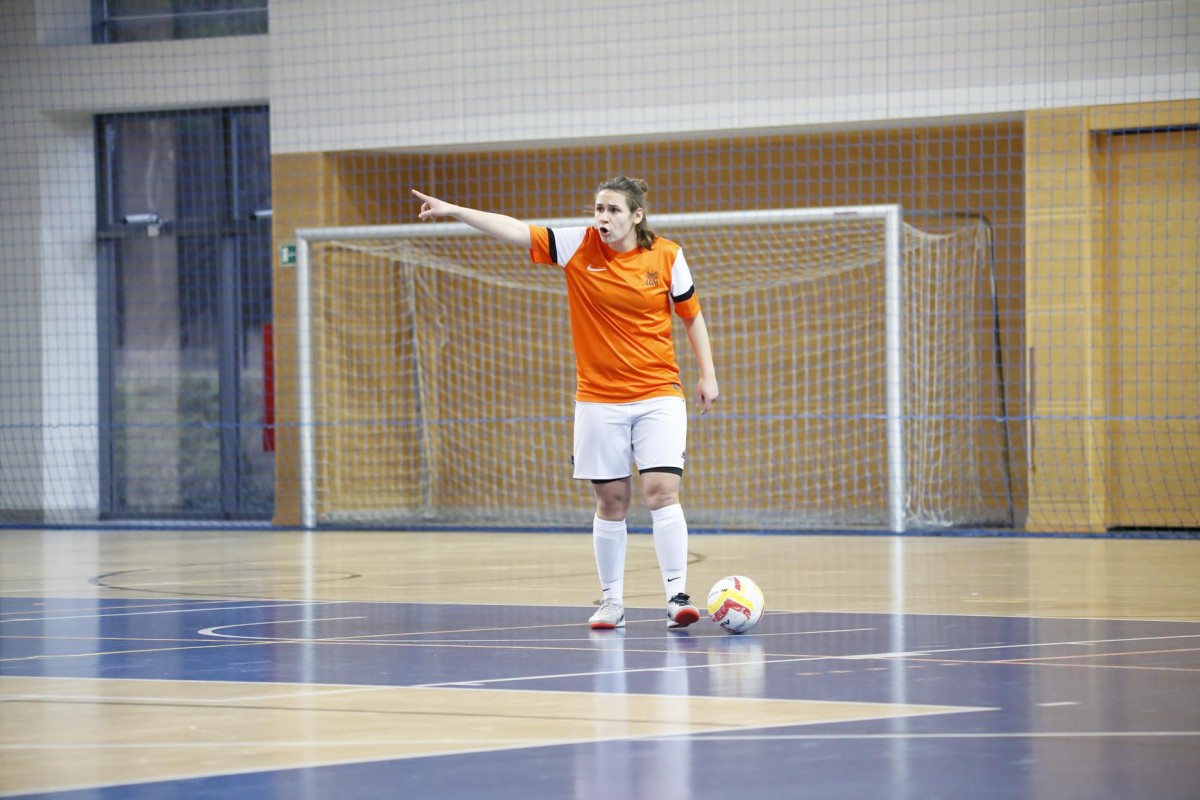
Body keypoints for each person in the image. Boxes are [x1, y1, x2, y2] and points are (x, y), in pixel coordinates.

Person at [412, 177, 719, 630]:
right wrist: (455, 210)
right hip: (598, 400)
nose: (603, 218)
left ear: (636, 216)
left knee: (662, 492)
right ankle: (612, 601)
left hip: (658, 394)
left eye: (613, 210)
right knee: (611, 501)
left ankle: (677, 597)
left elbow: (692, 317)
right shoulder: (578, 245)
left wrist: (707, 373)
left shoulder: (668, 256)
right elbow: (516, 229)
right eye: (599, 209)